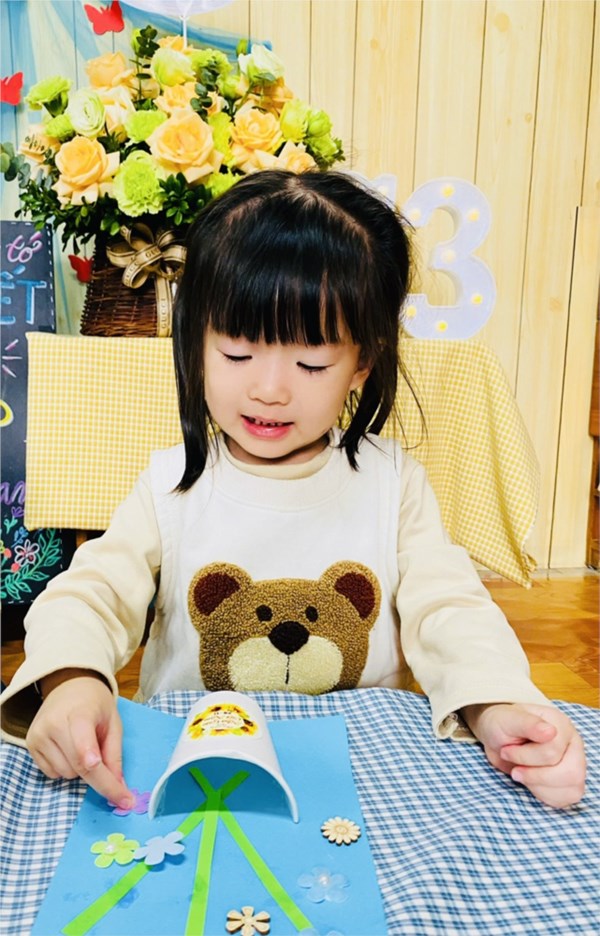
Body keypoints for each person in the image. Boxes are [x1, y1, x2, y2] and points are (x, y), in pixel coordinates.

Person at [0, 170, 585, 812]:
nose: (270, 390)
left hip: (359, 776)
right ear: (196, 342)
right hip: (195, 772)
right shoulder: (169, 486)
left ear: (363, 361)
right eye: (237, 353)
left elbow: (450, 610)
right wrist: (72, 678)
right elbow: (91, 596)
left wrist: (498, 705)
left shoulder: (393, 485)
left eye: (311, 363)